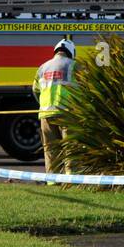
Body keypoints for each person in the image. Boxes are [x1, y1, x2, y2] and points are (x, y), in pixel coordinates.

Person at [32, 39, 78, 183]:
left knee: (50, 150)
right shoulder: (74, 65)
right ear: (70, 52)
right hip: (66, 112)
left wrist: (43, 104)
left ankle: (52, 182)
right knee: (70, 148)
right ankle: (72, 180)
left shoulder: (42, 67)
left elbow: (35, 90)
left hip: (46, 114)